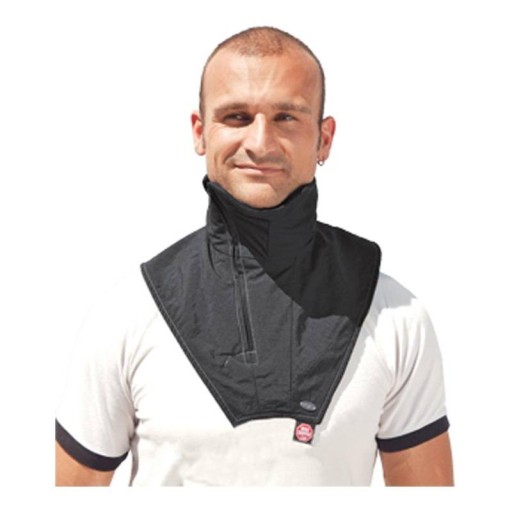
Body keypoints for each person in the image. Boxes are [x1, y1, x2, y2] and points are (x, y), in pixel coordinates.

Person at [55, 26, 453, 486]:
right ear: (200, 132)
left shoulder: (395, 316)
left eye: (286, 117)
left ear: (324, 139)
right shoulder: (127, 314)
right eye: (237, 117)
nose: (260, 143)